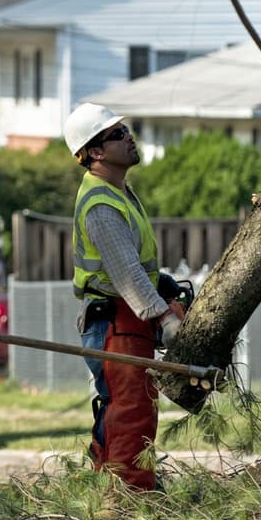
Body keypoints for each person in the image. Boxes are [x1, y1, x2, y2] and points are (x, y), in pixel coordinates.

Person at [64, 102, 186, 491]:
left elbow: (134, 265)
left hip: (124, 318)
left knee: (128, 409)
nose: (128, 137)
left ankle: (111, 488)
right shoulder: (102, 204)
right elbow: (126, 273)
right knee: (129, 412)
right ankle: (128, 500)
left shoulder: (117, 191)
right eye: (117, 134)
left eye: (125, 129)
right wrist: (165, 318)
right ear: (95, 152)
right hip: (115, 321)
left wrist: (164, 284)